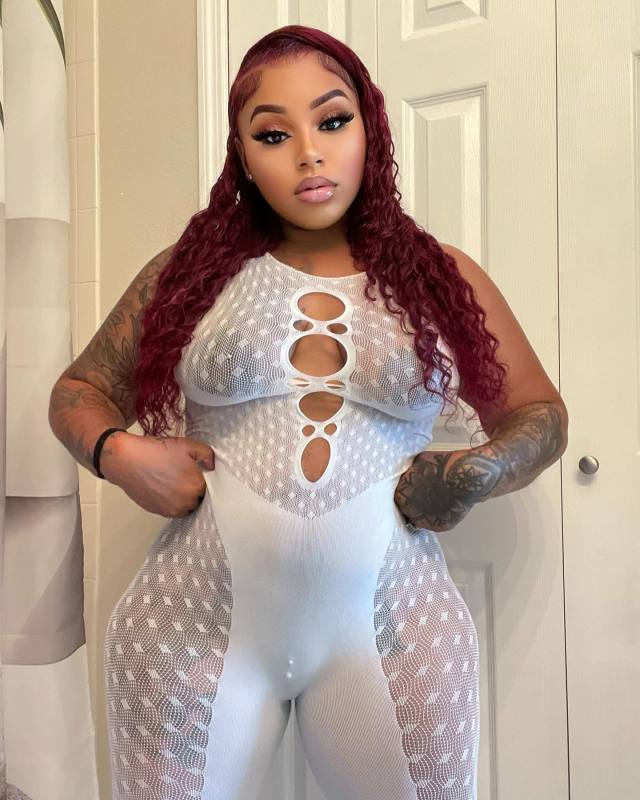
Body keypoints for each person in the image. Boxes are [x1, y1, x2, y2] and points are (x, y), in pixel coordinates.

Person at [49, 24, 568, 800]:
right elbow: (79, 390)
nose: (308, 154)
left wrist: (481, 470)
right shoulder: (188, 274)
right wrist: (120, 456)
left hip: (394, 629)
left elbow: (538, 413)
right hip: (197, 622)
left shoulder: (441, 278)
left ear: (370, 128)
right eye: (273, 134)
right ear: (242, 156)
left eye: (331, 121)